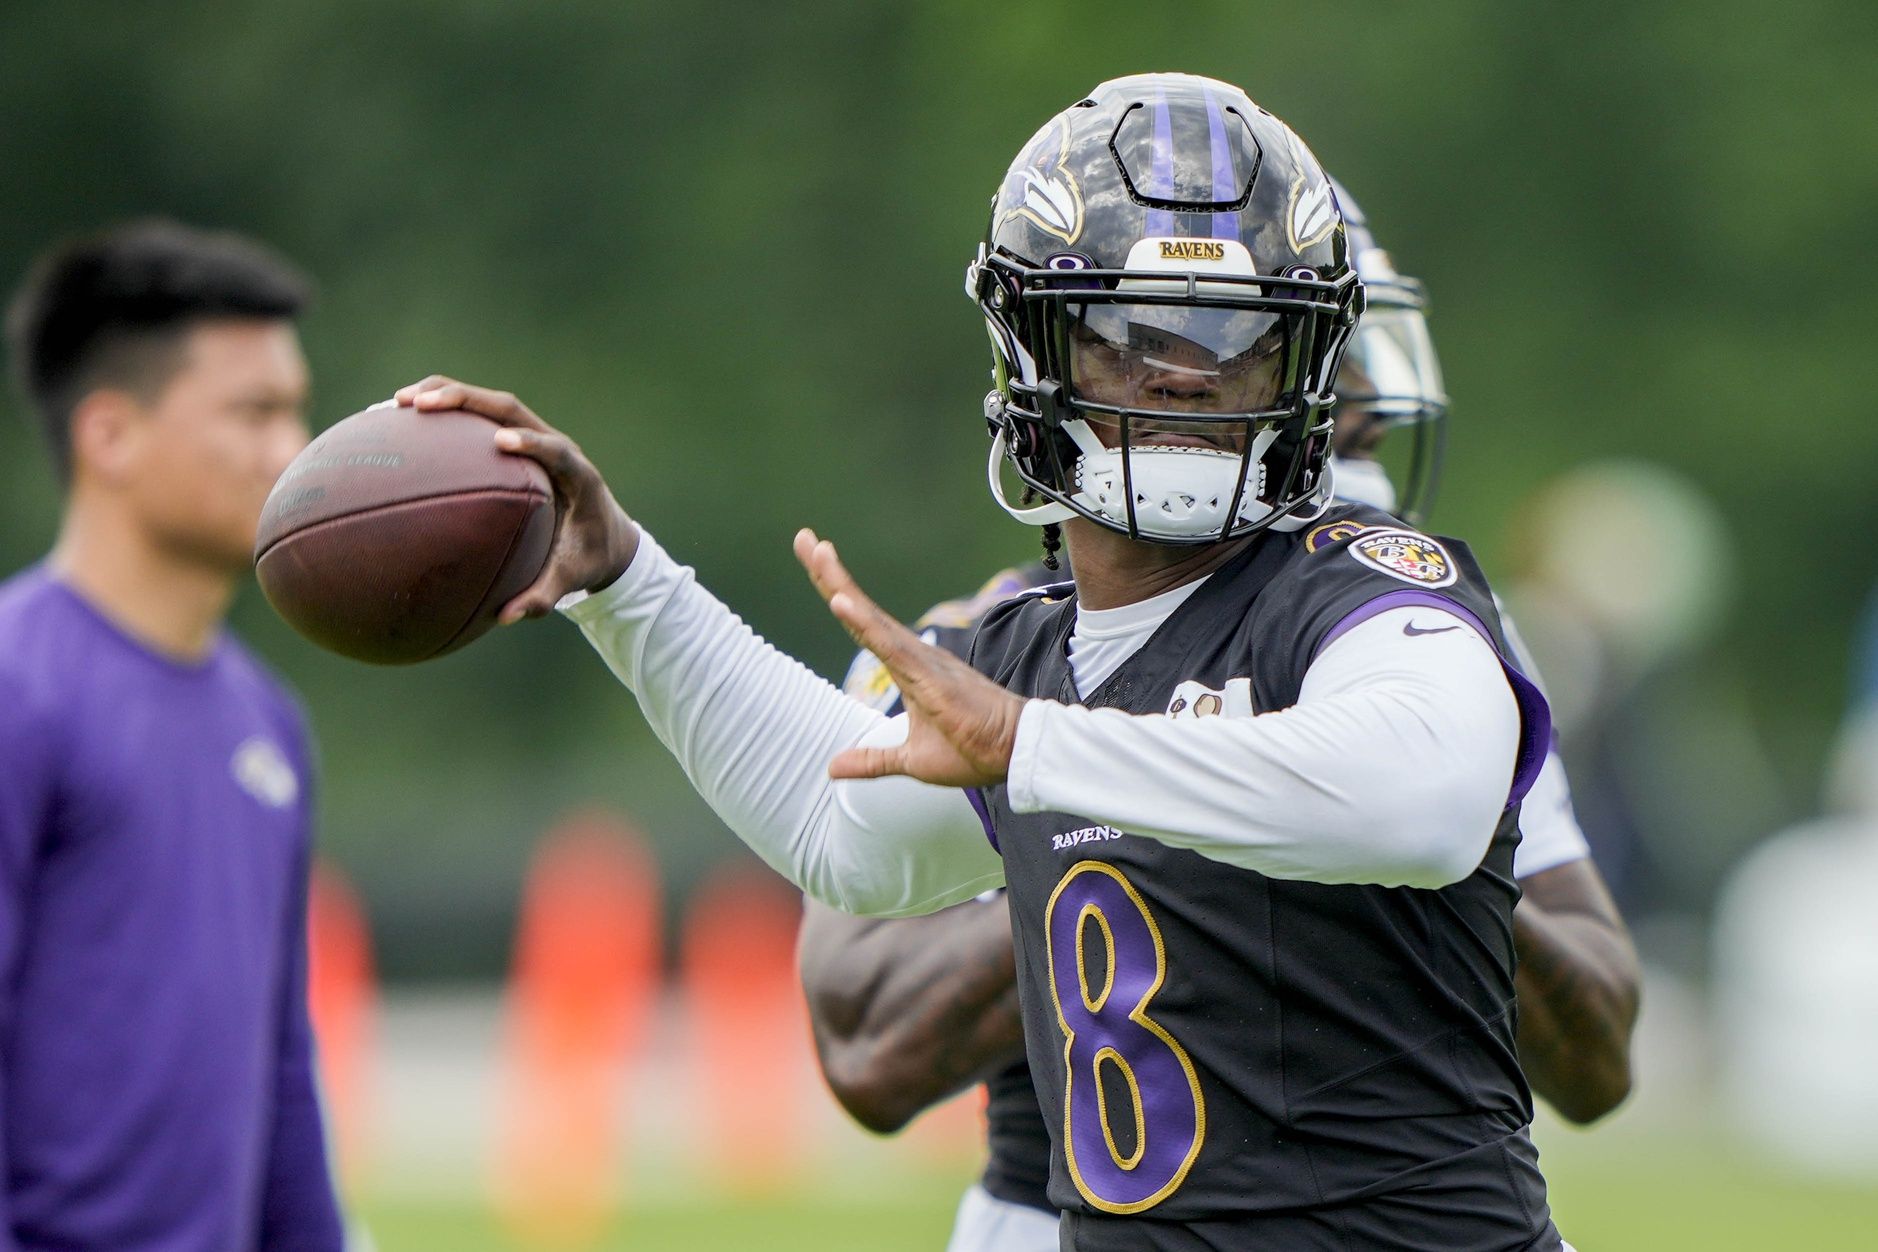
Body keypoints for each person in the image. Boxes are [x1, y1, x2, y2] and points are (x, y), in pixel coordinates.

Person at [402, 73, 1567, 1249]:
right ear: (1034, 346)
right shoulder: (1030, 648)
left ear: (1308, 366)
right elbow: (840, 825)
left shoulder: (1363, 587)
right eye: (1128, 338)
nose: (1186, 380)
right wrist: (626, 581)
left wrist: (1031, 746)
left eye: (1243, 340)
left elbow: (1421, 797)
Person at [796, 181, 1639, 1249]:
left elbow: (1599, 1055)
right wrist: (1155, 819)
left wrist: (1389, 848)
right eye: (1323, 368)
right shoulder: (981, 648)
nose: (1366, 411)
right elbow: (868, 1049)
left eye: (1358, 368)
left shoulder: (1435, 656)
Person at [0, 221, 343, 1250]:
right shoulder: (19, 690)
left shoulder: (267, 720)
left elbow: (279, 1073)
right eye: (254, 413)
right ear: (109, 434)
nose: (295, 453)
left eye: (299, 412)